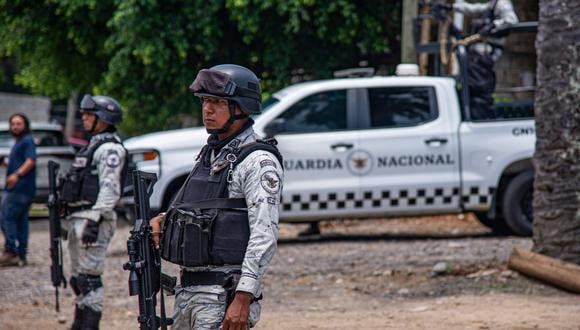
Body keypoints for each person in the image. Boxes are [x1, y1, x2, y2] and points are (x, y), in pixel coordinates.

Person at [149, 64, 284, 329]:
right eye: (204, 101)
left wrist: (244, 297)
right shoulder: (211, 154)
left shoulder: (257, 160)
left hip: (222, 295)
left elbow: (264, 232)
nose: (207, 109)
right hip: (188, 290)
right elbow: (209, 211)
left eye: (218, 102)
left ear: (241, 107)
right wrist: (165, 220)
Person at [59, 94, 127, 329]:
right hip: (81, 217)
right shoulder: (92, 146)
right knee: (78, 278)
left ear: (104, 118)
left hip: (93, 219)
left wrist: (97, 218)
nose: (84, 118)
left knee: (89, 279)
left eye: (90, 114)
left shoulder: (110, 149)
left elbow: (110, 188)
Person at [452, 0, 519, 119]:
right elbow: (473, 9)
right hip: (477, 57)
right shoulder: (491, 5)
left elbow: (511, 20)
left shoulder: (502, 3)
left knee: (480, 89)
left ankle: (483, 116)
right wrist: (451, 7)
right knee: (470, 86)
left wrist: (491, 26)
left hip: (486, 56)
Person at [0, 113, 36, 267]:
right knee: (21, 221)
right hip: (21, 188)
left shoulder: (27, 141)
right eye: (13, 124)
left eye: (18, 123)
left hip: (19, 188)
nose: (15, 126)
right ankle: (21, 253)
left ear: (25, 125)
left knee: (6, 217)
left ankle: (11, 250)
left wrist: (17, 175)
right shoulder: (19, 142)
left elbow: (31, 160)